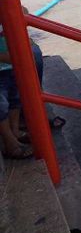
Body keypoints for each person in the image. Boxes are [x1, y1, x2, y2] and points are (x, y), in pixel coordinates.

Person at [0, 11, 44, 159]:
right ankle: (9, 141)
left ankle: (15, 129)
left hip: (12, 65)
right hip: (4, 64)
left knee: (15, 98)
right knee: (2, 106)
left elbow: (22, 11)